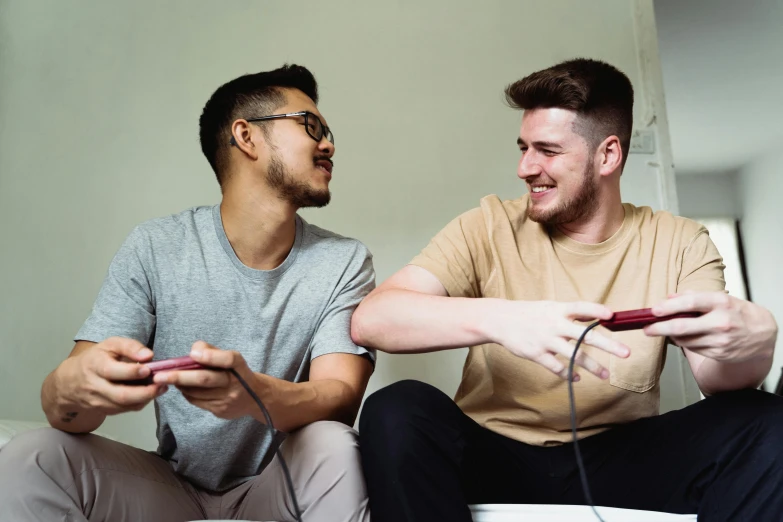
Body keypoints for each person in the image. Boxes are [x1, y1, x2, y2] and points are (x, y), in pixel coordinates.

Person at [352, 58, 781, 521]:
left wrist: (758, 346)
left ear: (608, 156)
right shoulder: (489, 224)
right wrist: (503, 319)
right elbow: (372, 319)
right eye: (523, 148)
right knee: (395, 408)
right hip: (494, 454)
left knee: (766, 420)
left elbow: (716, 381)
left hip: (619, 460)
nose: (524, 167)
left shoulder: (679, 241)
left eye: (547, 150)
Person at [0, 64, 374, 522]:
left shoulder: (344, 260)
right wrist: (73, 386)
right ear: (246, 136)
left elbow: (338, 397)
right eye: (310, 125)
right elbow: (69, 415)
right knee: (32, 455)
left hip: (275, 487)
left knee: (332, 443)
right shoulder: (157, 245)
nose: (328, 143)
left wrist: (254, 394)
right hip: (171, 490)